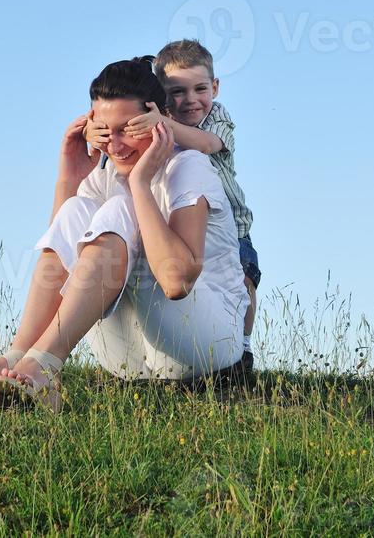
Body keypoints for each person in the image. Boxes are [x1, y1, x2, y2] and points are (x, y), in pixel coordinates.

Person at [0, 57, 249, 412]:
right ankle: (19, 358)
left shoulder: (188, 165)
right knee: (77, 210)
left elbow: (176, 282)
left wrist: (139, 184)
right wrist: (69, 178)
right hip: (129, 359)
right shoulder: (104, 176)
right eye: (105, 131)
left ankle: (41, 367)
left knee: (121, 210)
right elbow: (66, 262)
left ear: (159, 119)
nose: (115, 146)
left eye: (128, 129)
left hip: (206, 345)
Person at [87, 40, 259, 373]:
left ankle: (243, 346)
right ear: (162, 98)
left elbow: (207, 144)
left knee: (245, 282)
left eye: (200, 88)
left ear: (216, 87)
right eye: (177, 92)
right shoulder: (156, 127)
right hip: (178, 215)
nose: (190, 100)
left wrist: (161, 126)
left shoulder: (216, 120)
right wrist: (99, 128)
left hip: (233, 228)